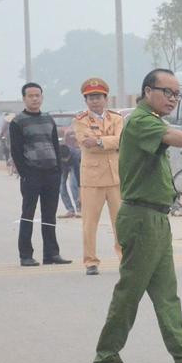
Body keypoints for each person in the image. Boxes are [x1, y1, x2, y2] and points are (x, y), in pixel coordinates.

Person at [92, 69, 182, 363]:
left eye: (176, 94)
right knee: (130, 291)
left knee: (166, 292)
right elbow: (170, 137)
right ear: (148, 90)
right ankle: (106, 357)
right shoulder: (140, 120)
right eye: (168, 92)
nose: (173, 99)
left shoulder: (151, 119)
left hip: (156, 218)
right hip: (141, 218)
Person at [9, 82, 70, 267]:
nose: (35, 98)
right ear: (24, 99)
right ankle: (25, 255)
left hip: (51, 173)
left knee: (49, 215)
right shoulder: (17, 122)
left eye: (38, 95)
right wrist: (25, 173)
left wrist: (58, 169)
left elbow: (55, 145)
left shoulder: (48, 119)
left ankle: (51, 254)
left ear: (42, 97)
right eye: (31, 96)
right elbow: (16, 151)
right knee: (28, 214)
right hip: (31, 174)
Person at [73, 77, 124, 276]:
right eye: (90, 98)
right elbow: (86, 142)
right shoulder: (80, 120)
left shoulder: (117, 118)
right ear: (86, 100)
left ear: (106, 98)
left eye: (98, 97)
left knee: (121, 222)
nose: (95, 101)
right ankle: (90, 261)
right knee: (89, 223)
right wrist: (108, 142)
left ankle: (124, 258)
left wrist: (100, 142)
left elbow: (122, 140)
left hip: (116, 177)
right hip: (92, 179)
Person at [59, 124, 82, 218]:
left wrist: (81, 194)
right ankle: (70, 210)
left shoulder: (75, 156)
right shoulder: (57, 156)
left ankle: (79, 209)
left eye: (67, 158)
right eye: (64, 159)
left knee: (73, 185)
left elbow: (78, 176)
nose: (66, 160)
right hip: (62, 168)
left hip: (74, 166)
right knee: (61, 186)